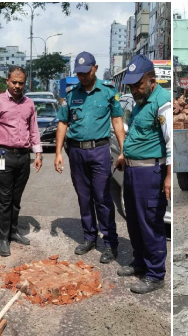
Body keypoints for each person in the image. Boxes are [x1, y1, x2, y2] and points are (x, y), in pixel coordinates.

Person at [54, 51, 126, 264]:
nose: (82, 76)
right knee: (84, 197)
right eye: (79, 73)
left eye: (86, 72)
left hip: (99, 151)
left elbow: (117, 121)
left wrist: (123, 150)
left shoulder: (108, 92)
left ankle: (110, 243)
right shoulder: (71, 94)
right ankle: (89, 237)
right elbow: (63, 123)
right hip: (76, 152)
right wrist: (58, 152)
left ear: (95, 68)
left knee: (103, 198)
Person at [113, 55, 172, 294]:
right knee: (135, 222)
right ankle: (139, 263)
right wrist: (123, 155)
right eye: (131, 85)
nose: (134, 89)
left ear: (151, 80)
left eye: (138, 84)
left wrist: (168, 176)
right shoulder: (139, 103)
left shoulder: (162, 101)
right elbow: (133, 133)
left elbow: (170, 142)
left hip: (150, 172)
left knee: (150, 223)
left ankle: (155, 274)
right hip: (132, 170)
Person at [0, 66, 43, 257]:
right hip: (2, 154)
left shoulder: (29, 104)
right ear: (7, 81)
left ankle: (14, 230)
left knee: (16, 198)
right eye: (14, 82)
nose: (17, 86)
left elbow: (33, 129)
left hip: (23, 155)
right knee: (3, 198)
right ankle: (3, 237)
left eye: (21, 83)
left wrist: (38, 153)